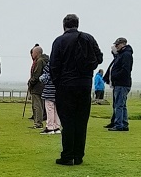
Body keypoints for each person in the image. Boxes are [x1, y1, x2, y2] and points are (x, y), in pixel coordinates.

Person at [48, 14, 103, 166]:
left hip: (66, 85)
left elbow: (54, 65)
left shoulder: (59, 41)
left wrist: (58, 83)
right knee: (81, 121)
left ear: (64, 25)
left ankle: (67, 155)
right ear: (77, 24)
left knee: (68, 121)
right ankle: (78, 155)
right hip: (84, 84)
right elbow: (99, 58)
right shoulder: (88, 38)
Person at [105, 38, 134, 132]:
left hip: (122, 83)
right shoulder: (123, 54)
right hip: (120, 83)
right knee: (122, 105)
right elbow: (117, 59)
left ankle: (119, 125)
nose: (116, 46)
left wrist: (115, 76)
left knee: (119, 105)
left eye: (117, 45)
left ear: (123, 44)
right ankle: (124, 124)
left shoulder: (126, 54)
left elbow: (125, 70)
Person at [28, 44, 48, 129]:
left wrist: (30, 82)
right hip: (42, 86)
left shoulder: (39, 61)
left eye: (32, 52)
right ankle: (38, 122)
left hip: (37, 87)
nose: (32, 54)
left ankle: (38, 123)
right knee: (40, 105)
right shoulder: (44, 60)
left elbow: (36, 75)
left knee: (37, 106)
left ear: (36, 53)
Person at [40, 58, 61, 135]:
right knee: (56, 111)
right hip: (58, 92)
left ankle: (50, 127)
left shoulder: (48, 67)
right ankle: (57, 127)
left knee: (50, 110)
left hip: (49, 92)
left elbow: (44, 79)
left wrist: (41, 78)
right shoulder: (61, 66)